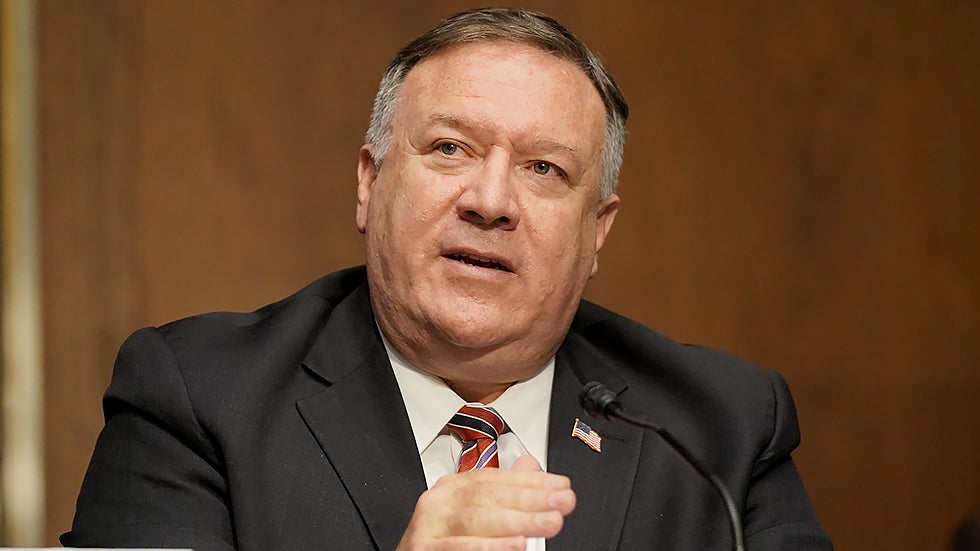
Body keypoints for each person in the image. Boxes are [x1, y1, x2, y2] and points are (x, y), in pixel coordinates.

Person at [63, 7, 831, 551]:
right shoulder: (200, 403)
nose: (490, 201)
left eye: (544, 168)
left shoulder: (719, 430)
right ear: (370, 183)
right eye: (450, 148)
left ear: (596, 230)